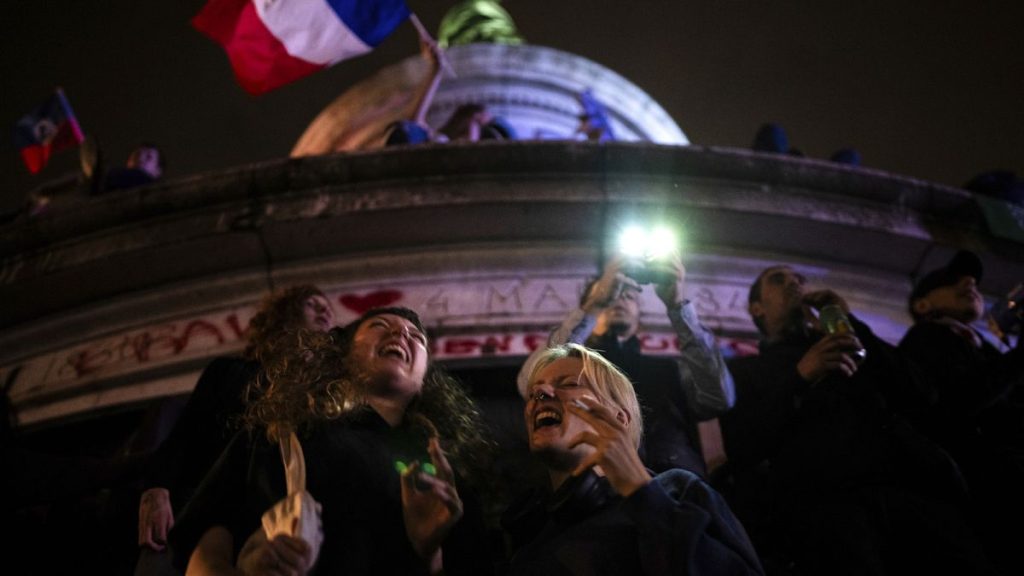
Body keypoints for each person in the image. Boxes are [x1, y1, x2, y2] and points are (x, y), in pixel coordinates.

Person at [170, 307, 494, 576]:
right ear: (342, 355)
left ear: (425, 379)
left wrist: (428, 552)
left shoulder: (447, 475)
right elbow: (206, 536)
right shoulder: (279, 433)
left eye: (416, 337)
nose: (400, 335)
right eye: (380, 325)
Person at [718, 265, 994, 575]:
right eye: (778, 280)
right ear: (757, 308)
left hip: (914, 490)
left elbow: (920, 392)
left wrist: (852, 324)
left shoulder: (850, 343)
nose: (795, 283)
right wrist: (800, 376)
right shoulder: (746, 371)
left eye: (800, 279)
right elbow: (744, 442)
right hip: (832, 509)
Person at [501, 343, 763, 575]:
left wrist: (643, 494)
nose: (542, 393)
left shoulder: (678, 491)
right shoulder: (529, 544)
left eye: (570, 383)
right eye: (534, 393)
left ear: (619, 419)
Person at [136, 285, 334, 575]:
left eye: (327, 307)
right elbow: (184, 437)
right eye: (312, 304)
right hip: (194, 514)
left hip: (267, 523)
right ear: (284, 315)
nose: (325, 310)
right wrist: (156, 488)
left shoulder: (325, 391)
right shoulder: (232, 372)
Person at [517, 254, 734, 477]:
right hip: (594, 488)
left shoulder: (669, 369)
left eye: (629, 296)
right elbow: (529, 384)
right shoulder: (573, 368)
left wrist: (678, 307)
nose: (619, 300)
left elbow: (718, 398)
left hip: (671, 488)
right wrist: (595, 303)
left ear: (639, 315)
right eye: (613, 293)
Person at [899, 250, 1024, 574]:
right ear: (922, 305)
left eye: (973, 283)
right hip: (978, 493)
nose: (969, 283)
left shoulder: (982, 347)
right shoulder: (925, 339)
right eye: (950, 281)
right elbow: (959, 400)